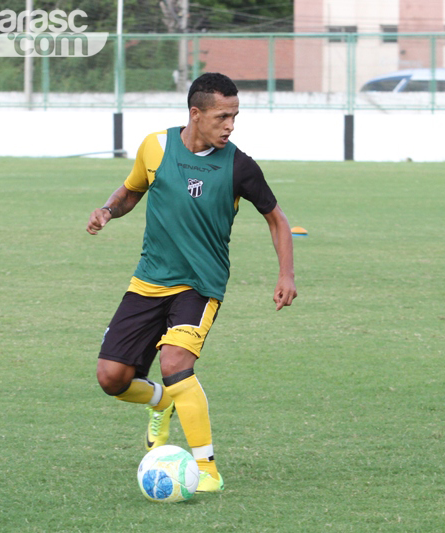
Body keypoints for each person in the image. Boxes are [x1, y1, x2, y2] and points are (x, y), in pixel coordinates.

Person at [86, 72, 297, 491]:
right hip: (149, 281)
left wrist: (286, 273)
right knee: (111, 377)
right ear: (195, 113)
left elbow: (277, 218)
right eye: (222, 116)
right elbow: (132, 191)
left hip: (200, 285)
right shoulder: (155, 146)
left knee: (175, 363)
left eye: (235, 116)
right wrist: (108, 210)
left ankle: (208, 471)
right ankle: (161, 404)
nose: (230, 125)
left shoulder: (239, 166)